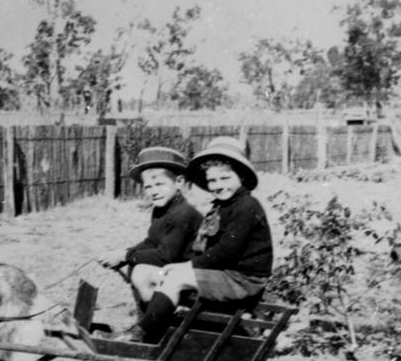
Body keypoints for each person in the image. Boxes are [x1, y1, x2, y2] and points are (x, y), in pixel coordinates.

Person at [117, 136, 273, 344]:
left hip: (243, 280)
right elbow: (209, 248)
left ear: (241, 177)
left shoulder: (247, 207)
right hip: (224, 273)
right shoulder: (221, 206)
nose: (218, 186)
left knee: (174, 278)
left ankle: (147, 333)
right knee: (148, 274)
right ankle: (157, 323)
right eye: (212, 180)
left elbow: (225, 252)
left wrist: (187, 268)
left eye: (225, 178)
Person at [98, 146, 203, 308]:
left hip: (187, 273)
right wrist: (122, 254)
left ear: (179, 182)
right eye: (148, 186)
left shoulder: (184, 214)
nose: (154, 191)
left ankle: (161, 321)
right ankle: (154, 315)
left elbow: (165, 256)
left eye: (160, 184)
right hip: (171, 266)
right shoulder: (161, 209)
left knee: (141, 273)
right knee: (136, 265)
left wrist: (125, 256)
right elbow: (151, 241)